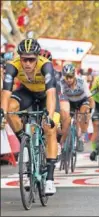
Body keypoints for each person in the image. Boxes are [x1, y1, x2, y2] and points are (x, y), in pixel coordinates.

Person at [0, 38, 59, 195]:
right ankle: (25, 143)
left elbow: (51, 93)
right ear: (19, 57)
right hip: (27, 93)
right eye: (24, 59)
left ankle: (50, 180)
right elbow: (6, 92)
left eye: (31, 60)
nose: (27, 64)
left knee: (49, 128)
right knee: (11, 109)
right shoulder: (12, 65)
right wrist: (2, 112)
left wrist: (50, 116)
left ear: (37, 57)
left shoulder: (45, 65)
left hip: (46, 95)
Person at [59, 64, 94, 152]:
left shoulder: (82, 81)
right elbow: (60, 97)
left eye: (70, 77)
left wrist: (90, 111)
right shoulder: (61, 82)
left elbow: (90, 98)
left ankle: (81, 137)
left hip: (82, 101)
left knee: (83, 114)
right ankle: (62, 142)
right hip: (70, 102)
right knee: (65, 120)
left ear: (74, 75)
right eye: (66, 77)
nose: (69, 79)